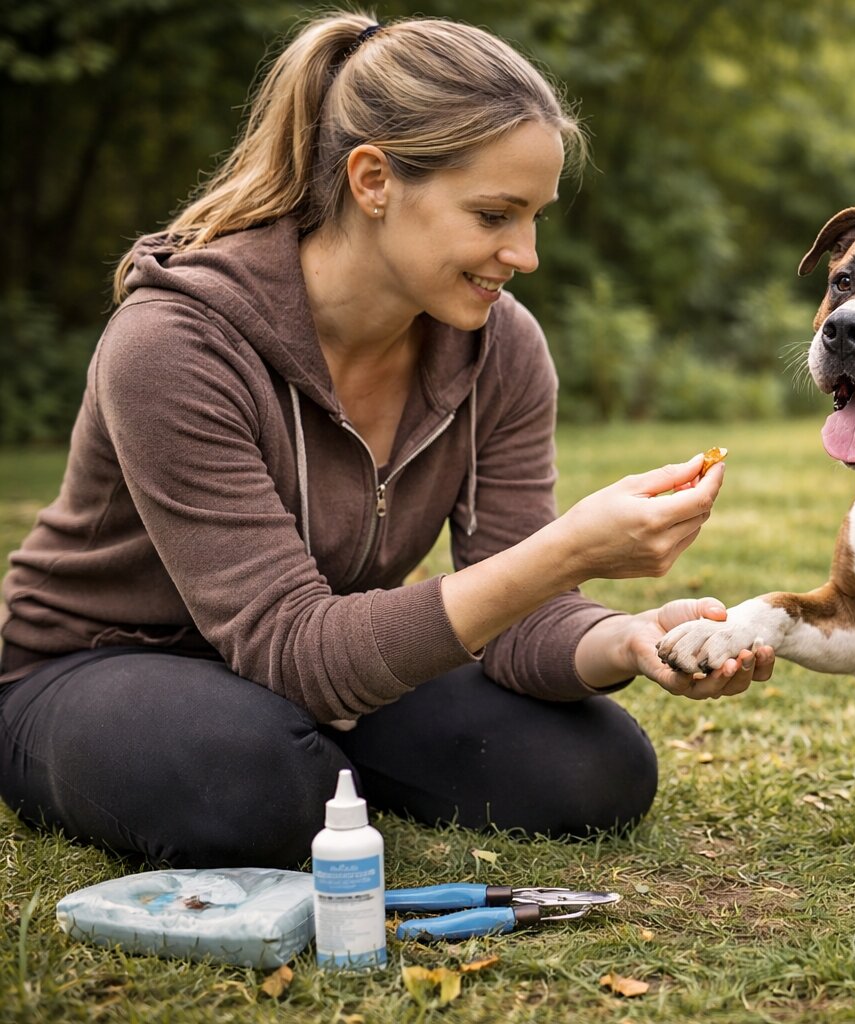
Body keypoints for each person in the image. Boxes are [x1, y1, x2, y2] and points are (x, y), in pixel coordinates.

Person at [0, 11, 773, 869]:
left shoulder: (501, 348)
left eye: (534, 218)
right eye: (493, 214)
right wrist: (567, 550)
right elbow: (292, 645)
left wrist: (626, 639)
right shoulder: (175, 344)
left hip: (321, 668)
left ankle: (307, 757)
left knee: (595, 771)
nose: (525, 253)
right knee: (252, 784)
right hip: (103, 665)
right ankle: (285, 762)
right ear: (373, 180)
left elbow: (520, 615)